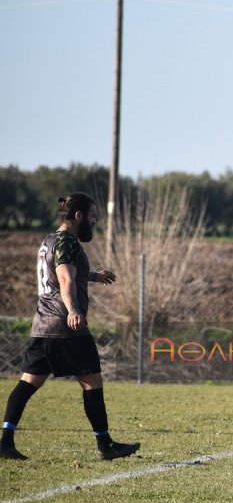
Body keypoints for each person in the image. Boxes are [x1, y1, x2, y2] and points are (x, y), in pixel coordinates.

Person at [0, 193, 139, 461]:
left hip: (43, 324)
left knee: (28, 382)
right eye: (92, 215)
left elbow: (63, 272)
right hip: (66, 325)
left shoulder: (49, 240)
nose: (94, 220)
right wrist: (74, 310)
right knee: (92, 382)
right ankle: (105, 445)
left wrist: (94, 276)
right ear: (78, 216)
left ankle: (5, 441)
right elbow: (64, 279)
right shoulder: (68, 242)